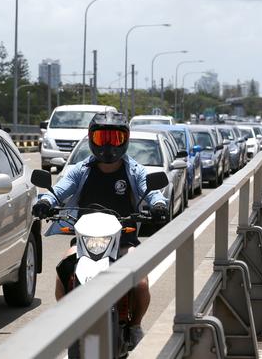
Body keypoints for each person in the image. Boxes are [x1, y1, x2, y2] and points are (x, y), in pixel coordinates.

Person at [31, 111, 169, 348]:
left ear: (124, 140)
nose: (107, 145)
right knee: (63, 271)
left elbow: (152, 190)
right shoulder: (80, 169)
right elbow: (59, 190)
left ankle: (135, 325)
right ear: (91, 139)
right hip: (85, 240)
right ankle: (66, 324)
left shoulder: (133, 170)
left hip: (124, 240)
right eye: (101, 138)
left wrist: (158, 204)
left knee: (142, 283)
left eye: (114, 139)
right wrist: (45, 202)